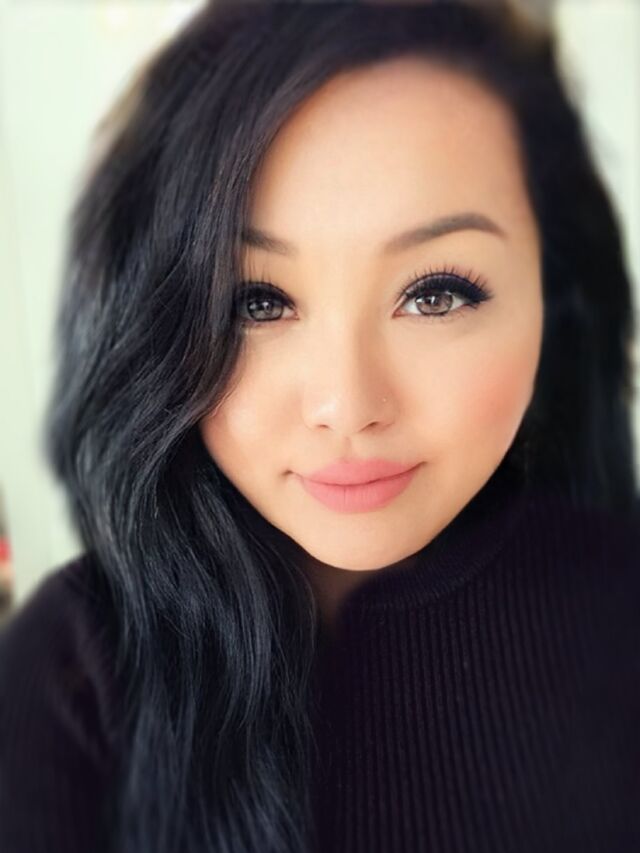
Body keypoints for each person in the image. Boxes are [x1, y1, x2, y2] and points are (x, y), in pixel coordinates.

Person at [0, 1, 638, 851]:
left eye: (436, 292)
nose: (345, 402)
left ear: (555, 301)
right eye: (258, 302)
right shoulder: (72, 674)